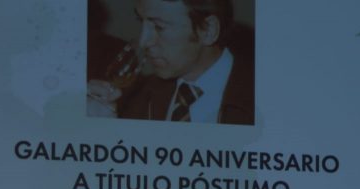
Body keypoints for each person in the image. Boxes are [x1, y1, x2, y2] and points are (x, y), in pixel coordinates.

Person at [87, 0, 254, 125]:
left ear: (208, 30)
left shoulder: (264, 102)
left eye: (159, 27)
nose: (144, 41)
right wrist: (105, 130)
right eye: (142, 23)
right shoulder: (135, 98)